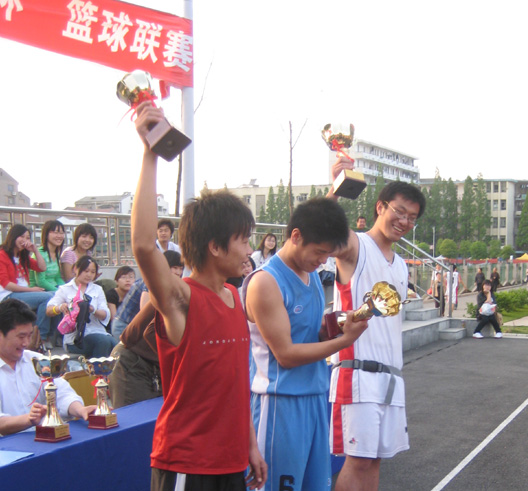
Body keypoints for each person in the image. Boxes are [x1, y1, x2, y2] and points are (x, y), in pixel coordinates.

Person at [132, 101, 266, 490]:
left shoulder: (234, 297)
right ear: (215, 247)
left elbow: (234, 387)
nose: (250, 250)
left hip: (231, 462)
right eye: (243, 240)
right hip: (186, 465)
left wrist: (250, 446)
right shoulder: (181, 300)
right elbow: (143, 245)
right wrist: (150, 153)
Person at [245, 198, 368, 491]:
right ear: (296, 236)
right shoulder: (266, 282)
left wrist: (334, 328)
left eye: (328, 254)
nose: (323, 261)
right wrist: (345, 341)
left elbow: (309, 334)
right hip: (280, 402)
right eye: (320, 252)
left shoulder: (311, 274)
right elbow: (286, 355)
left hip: (314, 396)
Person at [327, 156, 426, 491]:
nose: (404, 221)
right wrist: (335, 188)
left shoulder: (400, 265)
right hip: (358, 373)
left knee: (376, 460)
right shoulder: (356, 246)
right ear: (380, 207)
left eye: (412, 217)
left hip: (391, 376)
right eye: (399, 211)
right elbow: (319, 230)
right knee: (358, 461)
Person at [0, 298, 96, 436]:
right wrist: (29, 419)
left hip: (45, 439)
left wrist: (80, 410)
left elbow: (63, 394)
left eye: (29, 335)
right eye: (21, 337)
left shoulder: (37, 360)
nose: (26, 343)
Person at [110, 253, 185, 409]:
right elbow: (145, 331)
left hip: (156, 363)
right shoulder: (172, 290)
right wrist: (180, 360)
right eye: (174, 267)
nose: (178, 272)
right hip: (133, 360)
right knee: (134, 419)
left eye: (180, 268)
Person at [47, 256, 116, 358]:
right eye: (86, 271)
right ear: (75, 269)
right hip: (75, 339)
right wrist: (60, 308)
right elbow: (49, 310)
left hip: (98, 332)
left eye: (92, 272)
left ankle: (101, 367)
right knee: (103, 342)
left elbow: (105, 314)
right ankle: (97, 367)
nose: (89, 275)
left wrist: (92, 310)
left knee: (114, 344)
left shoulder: (98, 289)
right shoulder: (65, 289)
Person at [0, 224, 54, 342]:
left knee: (55, 296)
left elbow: (42, 267)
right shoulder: (2, 255)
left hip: (23, 293)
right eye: (22, 237)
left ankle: (52, 335)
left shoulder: (22, 256)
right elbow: (6, 284)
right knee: (47, 297)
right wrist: (32, 290)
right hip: (8, 295)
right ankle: (40, 337)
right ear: (13, 236)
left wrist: (35, 250)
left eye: (28, 238)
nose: (25, 240)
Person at [31, 220, 66, 292]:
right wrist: (59, 292)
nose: (59, 236)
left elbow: (57, 278)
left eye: (61, 233)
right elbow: (41, 282)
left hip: (54, 288)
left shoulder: (56, 253)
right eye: (56, 232)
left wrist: (66, 289)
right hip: (40, 290)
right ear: (46, 234)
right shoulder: (40, 254)